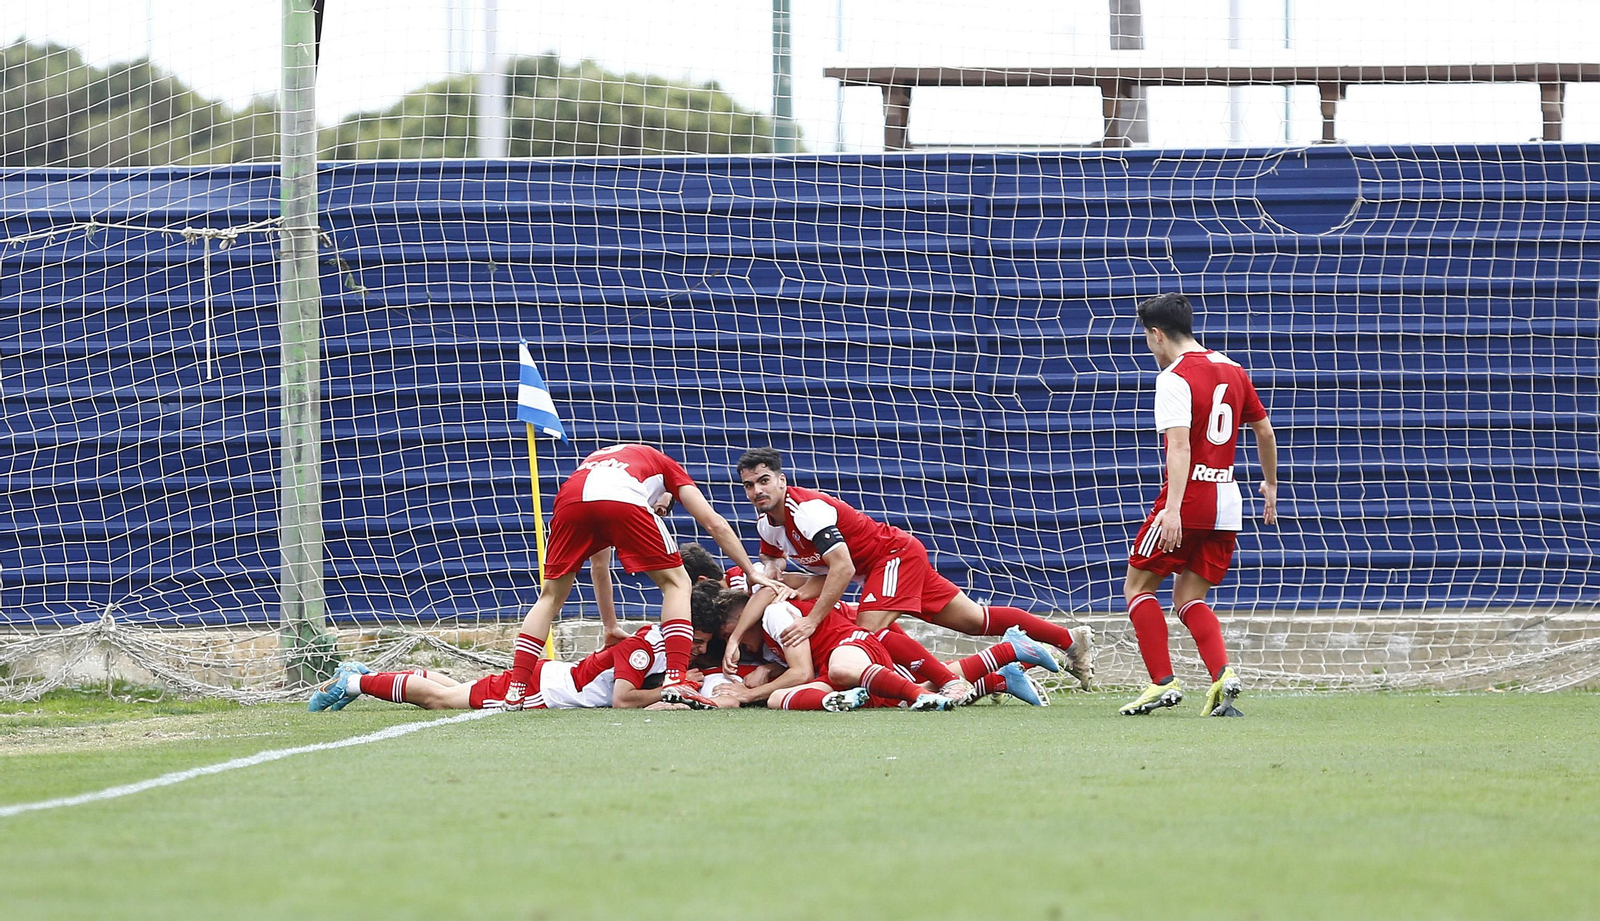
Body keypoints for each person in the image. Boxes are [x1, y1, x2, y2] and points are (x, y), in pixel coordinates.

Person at [726, 447, 1092, 690]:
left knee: (865, 636)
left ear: (781, 481)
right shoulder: (767, 525)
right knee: (974, 621)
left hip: (892, 557)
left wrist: (811, 620)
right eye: (748, 486)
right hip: (883, 564)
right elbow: (777, 568)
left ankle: (947, 683)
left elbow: (841, 568)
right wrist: (763, 580)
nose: (757, 490)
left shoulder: (806, 511)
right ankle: (1068, 640)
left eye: (764, 481)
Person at [501, 443, 789, 709]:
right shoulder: (665, 465)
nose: (659, 512)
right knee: (677, 583)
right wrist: (752, 571)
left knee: (550, 597)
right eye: (661, 508)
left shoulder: (599, 462)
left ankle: (516, 688)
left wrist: (610, 625)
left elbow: (599, 566)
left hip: (570, 500)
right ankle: (675, 680)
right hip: (621, 500)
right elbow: (714, 523)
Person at [1119, 293, 1279, 717]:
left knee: (1138, 587)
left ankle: (1162, 683)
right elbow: (1264, 431)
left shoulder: (1174, 377)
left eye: (1146, 339)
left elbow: (1178, 446)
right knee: (1190, 597)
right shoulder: (1233, 368)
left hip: (1188, 498)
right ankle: (1223, 675)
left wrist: (1171, 509)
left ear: (1156, 335)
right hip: (1228, 500)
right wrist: (1270, 484)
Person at [306, 622, 718, 712]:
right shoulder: (645, 647)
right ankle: (356, 681)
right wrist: (668, 694)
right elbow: (624, 700)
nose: (697, 650)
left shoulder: (659, 642)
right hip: (545, 689)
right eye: (696, 641)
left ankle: (362, 676)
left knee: (457, 687)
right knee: (442, 700)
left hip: (550, 679)